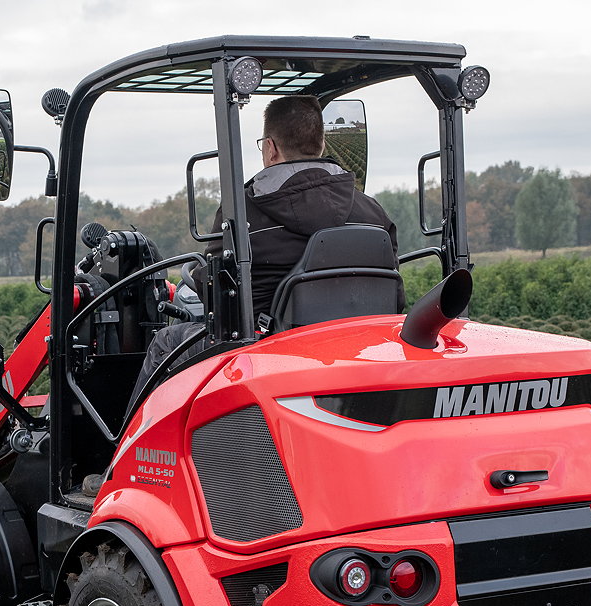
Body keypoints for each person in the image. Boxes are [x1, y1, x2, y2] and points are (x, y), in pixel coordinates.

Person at [131, 95, 399, 403]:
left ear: (270, 148)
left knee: (166, 341)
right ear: (321, 144)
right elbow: (395, 292)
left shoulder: (241, 213)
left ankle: (126, 447)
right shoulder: (373, 213)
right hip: (358, 345)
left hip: (267, 347)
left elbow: (219, 297)